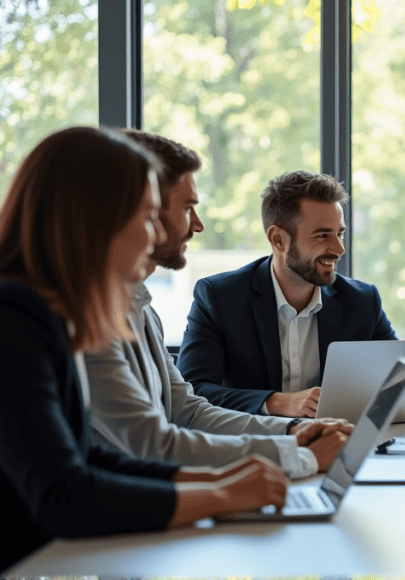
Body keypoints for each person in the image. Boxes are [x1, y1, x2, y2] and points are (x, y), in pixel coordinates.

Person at [0, 126, 287, 573]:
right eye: (150, 215)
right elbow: (64, 495)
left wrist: (218, 479)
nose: (156, 236)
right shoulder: (15, 316)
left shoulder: (54, 314)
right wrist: (221, 495)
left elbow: (88, 457)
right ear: (97, 219)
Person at [83, 129, 349, 478]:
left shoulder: (142, 308)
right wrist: (297, 454)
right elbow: (152, 443)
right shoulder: (85, 314)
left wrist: (291, 432)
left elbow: (188, 411)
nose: (198, 224)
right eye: (187, 208)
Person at [176, 170, 401, 417]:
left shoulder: (362, 301)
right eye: (323, 235)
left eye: (340, 233)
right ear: (278, 239)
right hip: (253, 445)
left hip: (337, 441)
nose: (339, 249)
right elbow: (192, 391)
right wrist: (279, 402)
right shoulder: (219, 297)